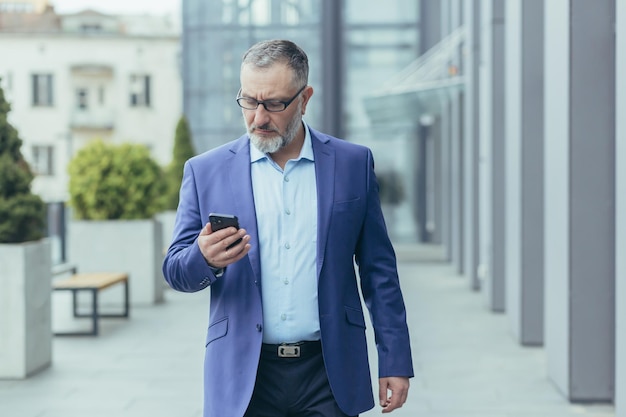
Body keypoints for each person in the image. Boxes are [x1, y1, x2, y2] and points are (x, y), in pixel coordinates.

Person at [162, 39, 413, 417]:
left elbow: (379, 271)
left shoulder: (352, 164)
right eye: (249, 101)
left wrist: (394, 359)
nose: (259, 117)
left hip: (328, 374)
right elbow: (175, 270)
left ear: (305, 98)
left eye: (275, 104)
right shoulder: (205, 171)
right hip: (244, 376)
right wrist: (204, 258)